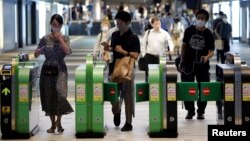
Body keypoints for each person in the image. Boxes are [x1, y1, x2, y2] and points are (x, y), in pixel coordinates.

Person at [34, 14, 74, 133]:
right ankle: (52, 124)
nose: (55, 27)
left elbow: (68, 51)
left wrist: (59, 39)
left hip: (60, 69)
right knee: (49, 96)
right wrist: (38, 51)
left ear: (61, 26)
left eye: (58, 25)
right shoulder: (45, 38)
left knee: (60, 95)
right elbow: (36, 54)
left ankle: (59, 122)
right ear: (50, 24)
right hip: (47, 70)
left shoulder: (65, 38)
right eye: (53, 25)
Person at [103, 11, 140, 131]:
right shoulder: (114, 35)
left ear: (127, 23)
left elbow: (136, 55)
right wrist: (108, 48)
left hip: (128, 68)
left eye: (120, 23)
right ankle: (117, 110)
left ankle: (128, 123)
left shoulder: (134, 37)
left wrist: (124, 51)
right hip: (115, 67)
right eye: (116, 23)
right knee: (113, 95)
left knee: (128, 96)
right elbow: (113, 49)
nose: (118, 25)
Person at [179, 9, 215, 120]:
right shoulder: (189, 30)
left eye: (203, 18)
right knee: (188, 87)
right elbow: (184, 45)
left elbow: (211, 51)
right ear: (195, 18)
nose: (200, 20)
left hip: (202, 66)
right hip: (188, 64)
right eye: (198, 17)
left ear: (206, 20)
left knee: (203, 89)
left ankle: (201, 111)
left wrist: (207, 57)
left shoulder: (209, 34)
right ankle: (190, 111)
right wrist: (181, 59)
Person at [140, 16, 174, 82]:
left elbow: (170, 42)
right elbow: (143, 44)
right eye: (156, 24)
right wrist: (144, 54)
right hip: (150, 56)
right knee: (151, 78)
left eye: (159, 23)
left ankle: (161, 91)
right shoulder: (148, 32)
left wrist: (171, 49)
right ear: (152, 24)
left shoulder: (165, 33)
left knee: (161, 77)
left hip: (161, 57)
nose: (158, 25)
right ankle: (149, 90)